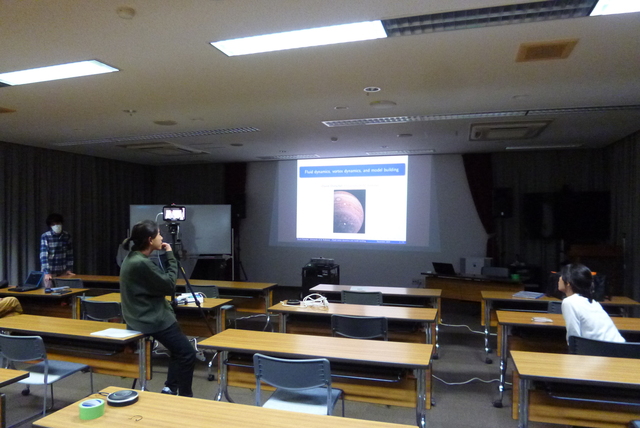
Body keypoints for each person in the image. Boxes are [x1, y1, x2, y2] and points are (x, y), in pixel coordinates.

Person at [119, 220, 196, 397]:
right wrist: (170, 256)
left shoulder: (132, 258)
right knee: (187, 353)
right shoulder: (141, 263)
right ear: (150, 239)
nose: (161, 237)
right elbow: (169, 285)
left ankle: (170, 388)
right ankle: (186, 397)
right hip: (151, 319)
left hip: (137, 317)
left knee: (178, 351)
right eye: (159, 234)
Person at [558, 263, 625, 344]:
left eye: (561, 276)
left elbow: (573, 336)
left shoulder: (569, 302)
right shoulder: (592, 302)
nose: (559, 278)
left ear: (568, 283)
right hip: (620, 346)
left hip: (604, 349)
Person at [39, 213, 74, 283]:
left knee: (65, 289)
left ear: (61, 223)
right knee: (48, 289)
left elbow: (69, 254)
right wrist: (47, 272)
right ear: (50, 226)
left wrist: (69, 269)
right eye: (53, 224)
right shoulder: (46, 236)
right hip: (49, 272)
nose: (56, 226)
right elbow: (44, 255)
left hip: (63, 271)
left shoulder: (66, 236)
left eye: (57, 223)